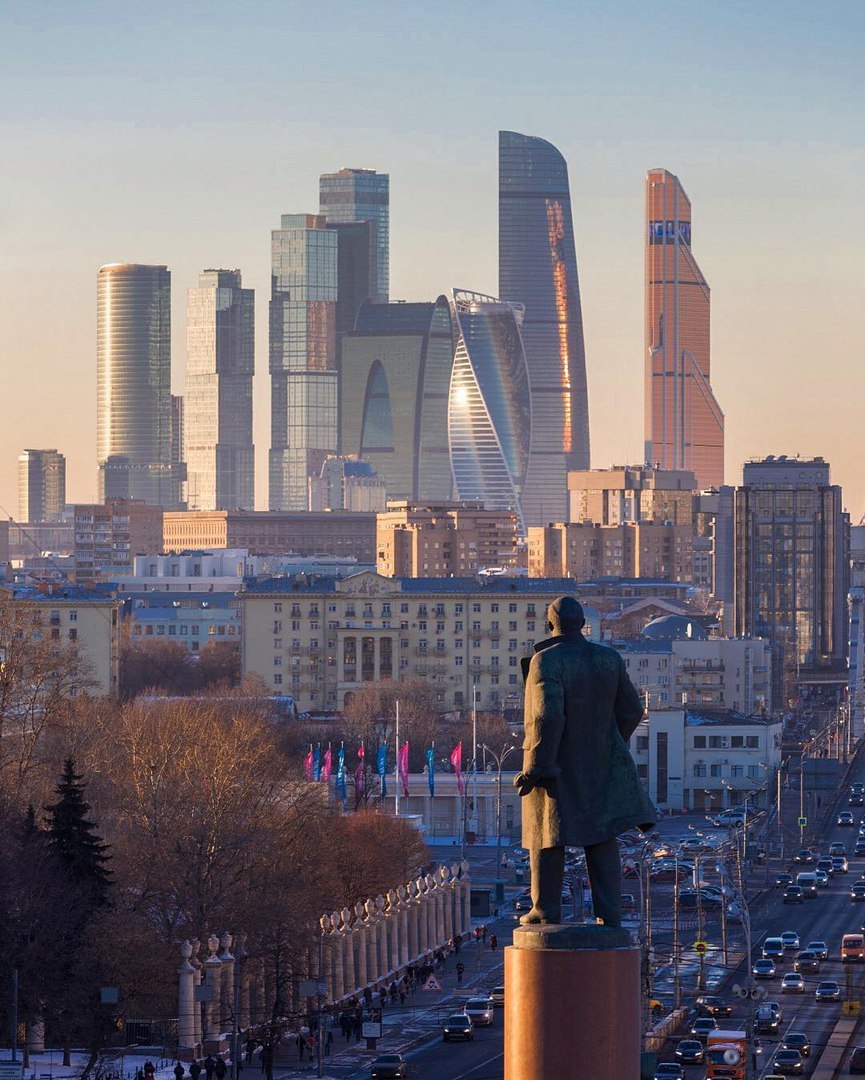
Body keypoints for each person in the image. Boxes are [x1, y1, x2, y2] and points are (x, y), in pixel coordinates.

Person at [515, 596, 657, 927]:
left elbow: (547, 716)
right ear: (583, 624)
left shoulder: (545, 660)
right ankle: (609, 915)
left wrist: (538, 764)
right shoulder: (608, 658)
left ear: (550, 625)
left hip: (556, 766)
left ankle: (545, 910)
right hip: (600, 764)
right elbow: (633, 710)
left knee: (546, 837)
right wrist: (609, 744)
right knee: (602, 837)